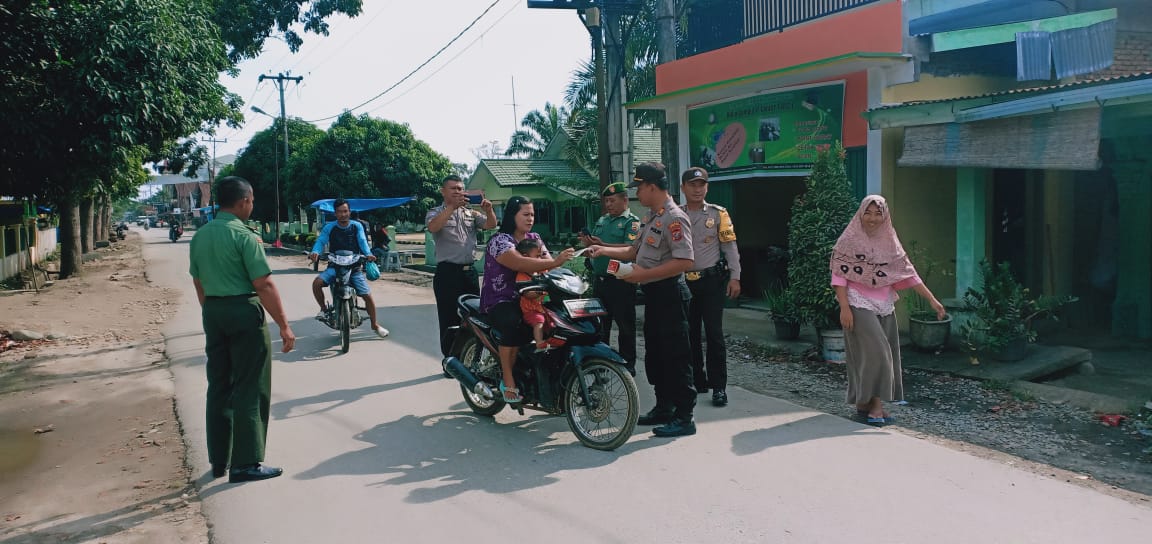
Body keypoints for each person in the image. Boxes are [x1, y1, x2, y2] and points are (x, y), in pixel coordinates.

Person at [188, 176, 295, 483]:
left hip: (213, 310)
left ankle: (220, 460)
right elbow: (263, 283)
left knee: (219, 385)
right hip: (242, 311)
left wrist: (212, 310)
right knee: (251, 385)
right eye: (251, 201)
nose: (252, 205)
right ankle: (245, 462)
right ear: (243, 201)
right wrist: (284, 326)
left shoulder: (201, 236)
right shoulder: (244, 236)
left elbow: (198, 280)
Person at [586, 162, 697, 438]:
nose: (637, 194)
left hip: (670, 293)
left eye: (639, 188)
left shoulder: (674, 217)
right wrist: (603, 250)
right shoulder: (651, 217)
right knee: (657, 356)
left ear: (651, 186)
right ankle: (664, 406)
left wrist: (642, 276)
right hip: (654, 295)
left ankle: (685, 416)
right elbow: (634, 251)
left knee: (677, 356)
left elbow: (685, 261)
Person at [831, 195, 946, 426]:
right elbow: (838, 275)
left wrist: (933, 300)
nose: (873, 218)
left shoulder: (890, 242)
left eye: (878, 213)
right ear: (860, 214)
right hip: (857, 302)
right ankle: (876, 405)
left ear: (885, 216)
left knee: (883, 353)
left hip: (884, 304)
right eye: (868, 212)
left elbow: (908, 273)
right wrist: (844, 307)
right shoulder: (848, 240)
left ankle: (863, 402)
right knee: (877, 352)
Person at [480, 196, 574, 403]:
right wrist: (553, 261)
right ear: (513, 215)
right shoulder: (500, 241)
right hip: (502, 299)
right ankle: (508, 378)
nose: (530, 218)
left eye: (532, 214)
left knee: (559, 322)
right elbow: (520, 263)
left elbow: (548, 264)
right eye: (525, 214)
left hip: (533, 298)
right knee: (514, 324)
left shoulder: (534, 237)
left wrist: (559, 265)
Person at [680, 167, 742, 407]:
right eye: (693, 185)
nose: (697, 189)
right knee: (690, 333)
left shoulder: (718, 214)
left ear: (707, 187)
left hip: (712, 282)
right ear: (684, 187)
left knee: (714, 335)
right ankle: (698, 379)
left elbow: (730, 247)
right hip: (685, 282)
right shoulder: (676, 214)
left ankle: (719, 387)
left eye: (702, 184)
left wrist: (735, 276)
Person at [426, 175, 497, 356]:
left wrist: (488, 210)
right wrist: (451, 208)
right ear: (443, 191)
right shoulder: (436, 212)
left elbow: (491, 224)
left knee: (474, 317)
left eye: (460, 188)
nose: (458, 192)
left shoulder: (470, 213)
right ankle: (450, 360)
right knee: (449, 317)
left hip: (469, 273)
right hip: (447, 273)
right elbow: (433, 227)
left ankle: (470, 358)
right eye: (453, 189)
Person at [578, 181, 640, 374]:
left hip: (621, 282)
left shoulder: (632, 222)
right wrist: (589, 247)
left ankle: (627, 364)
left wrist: (603, 245)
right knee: (600, 325)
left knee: (625, 326)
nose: (609, 205)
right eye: (606, 201)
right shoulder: (603, 221)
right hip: (600, 281)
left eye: (612, 200)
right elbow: (598, 248)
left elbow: (632, 249)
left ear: (625, 200)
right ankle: (601, 362)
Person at [309, 199, 389, 338]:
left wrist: (368, 254)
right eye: (339, 212)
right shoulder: (330, 227)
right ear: (335, 213)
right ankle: (323, 309)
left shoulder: (356, 226)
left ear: (349, 212)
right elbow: (321, 240)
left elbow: (362, 241)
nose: (343, 214)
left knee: (368, 296)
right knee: (316, 284)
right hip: (334, 266)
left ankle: (374, 325)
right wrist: (315, 251)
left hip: (354, 267)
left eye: (345, 211)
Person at [514, 238, 553, 350]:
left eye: (541, 255)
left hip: (543, 307)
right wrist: (541, 291)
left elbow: (551, 277)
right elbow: (528, 294)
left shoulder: (541, 271)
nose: (540, 259)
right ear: (526, 257)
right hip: (530, 310)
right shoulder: (522, 275)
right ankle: (539, 343)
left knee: (553, 321)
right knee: (539, 321)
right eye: (537, 256)